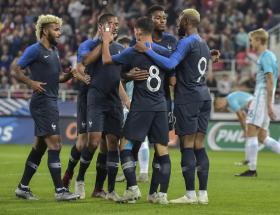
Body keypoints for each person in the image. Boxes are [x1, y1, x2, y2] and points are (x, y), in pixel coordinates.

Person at [135, 9, 219, 204]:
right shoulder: (203, 43)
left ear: (187, 21)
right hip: (204, 97)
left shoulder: (186, 42)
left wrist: (147, 51)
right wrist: (152, 45)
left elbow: (171, 62)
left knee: (187, 146)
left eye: (180, 19)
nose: (177, 22)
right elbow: (174, 54)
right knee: (199, 145)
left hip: (188, 99)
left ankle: (190, 194)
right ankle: (203, 194)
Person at [101, 17, 172, 204]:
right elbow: (172, 77)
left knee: (124, 145)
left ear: (138, 31)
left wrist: (106, 41)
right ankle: (161, 195)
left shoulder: (133, 51)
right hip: (161, 107)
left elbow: (107, 60)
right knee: (162, 150)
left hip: (141, 106)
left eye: (135, 30)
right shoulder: (164, 51)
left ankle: (132, 188)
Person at [14, 14, 79, 201]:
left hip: (51, 101)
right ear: (44, 31)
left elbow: (55, 77)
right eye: (55, 29)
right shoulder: (34, 49)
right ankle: (60, 191)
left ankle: (22, 187)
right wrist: (30, 82)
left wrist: (67, 76)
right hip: (42, 102)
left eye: (59, 29)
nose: (59, 33)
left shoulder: (54, 51)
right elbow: (17, 69)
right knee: (56, 144)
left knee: (40, 147)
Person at [235, 28, 278, 177]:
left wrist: (269, 105)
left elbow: (270, 80)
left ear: (259, 40)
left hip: (262, 95)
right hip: (266, 95)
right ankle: (252, 169)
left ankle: (252, 169)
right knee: (263, 136)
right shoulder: (270, 56)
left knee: (251, 129)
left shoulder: (265, 57)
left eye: (252, 40)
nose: (251, 43)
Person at [215, 91, 280, 167]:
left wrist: (244, 130)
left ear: (219, 101)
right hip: (261, 106)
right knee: (262, 137)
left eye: (219, 108)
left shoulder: (230, 100)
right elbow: (244, 114)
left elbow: (241, 116)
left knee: (253, 135)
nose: (222, 109)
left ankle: (249, 162)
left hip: (257, 107)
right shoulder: (232, 96)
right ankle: (247, 160)